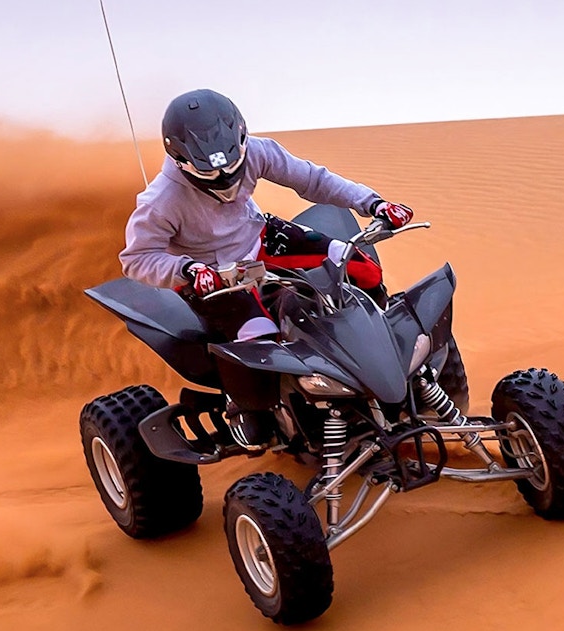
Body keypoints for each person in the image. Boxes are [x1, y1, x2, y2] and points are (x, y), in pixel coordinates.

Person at [119, 88, 414, 449]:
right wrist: (187, 270)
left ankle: (385, 355)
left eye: (232, 165)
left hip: (260, 237)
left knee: (360, 268)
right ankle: (246, 408)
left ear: (241, 139)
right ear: (180, 159)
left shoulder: (259, 151)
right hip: (212, 275)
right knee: (259, 336)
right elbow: (135, 259)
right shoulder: (161, 200)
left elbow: (313, 180)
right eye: (210, 172)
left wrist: (373, 203)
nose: (225, 177)